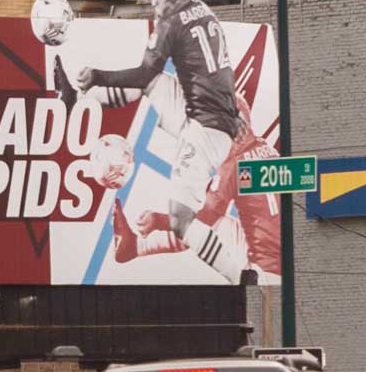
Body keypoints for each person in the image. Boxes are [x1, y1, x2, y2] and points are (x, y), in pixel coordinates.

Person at [66, 0, 249, 283]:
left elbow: (144, 69)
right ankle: (75, 98)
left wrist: (97, 75)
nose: (151, 0)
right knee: (150, 85)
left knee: (180, 220)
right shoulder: (202, 9)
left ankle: (238, 276)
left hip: (205, 130)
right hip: (209, 114)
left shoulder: (170, 23)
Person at [112, 94, 280, 278]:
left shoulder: (234, 165)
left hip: (267, 273)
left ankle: (136, 247)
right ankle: (134, 246)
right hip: (287, 258)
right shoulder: (266, 148)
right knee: (222, 223)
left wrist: (158, 220)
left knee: (206, 224)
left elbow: (205, 217)